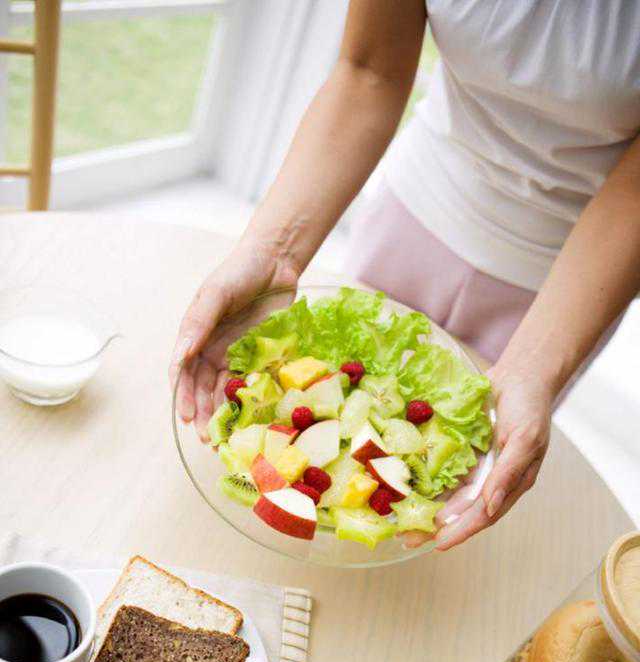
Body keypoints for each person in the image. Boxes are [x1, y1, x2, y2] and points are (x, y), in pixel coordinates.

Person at [170, 1, 640, 550]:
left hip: (568, 284)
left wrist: (532, 371)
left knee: (468, 465)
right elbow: (368, 70)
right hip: (415, 211)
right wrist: (273, 252)